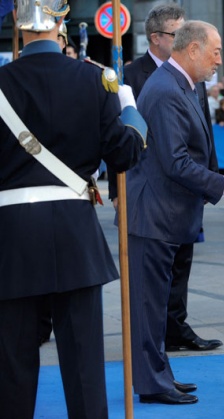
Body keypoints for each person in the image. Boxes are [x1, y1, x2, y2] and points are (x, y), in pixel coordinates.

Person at [0, 1, 146, 417]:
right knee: (84, 367)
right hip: (74, 236)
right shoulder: (96, 80)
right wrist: (131, 110)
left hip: (12, 240)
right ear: (62, 21)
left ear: (17, 21)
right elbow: (124, 154)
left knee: (11, 368)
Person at [125, 20, 224, 405]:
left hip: (165, 214)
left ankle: (160, 376)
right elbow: (176, 161)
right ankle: (152, 383)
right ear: (191, 49)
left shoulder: (181, 84)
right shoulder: (165, 90)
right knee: (148, 307)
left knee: (156, 304)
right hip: (154, 215)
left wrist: (220, 178)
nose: (218, 61)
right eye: (215, 51)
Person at [115, 4, 223, 354]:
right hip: (155, 194)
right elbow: (121, 133)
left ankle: (175, 330)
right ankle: (155, 350)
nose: (184, 38)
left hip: (185, 193)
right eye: (178, 33)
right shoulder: (137, 75)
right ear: (157, 38)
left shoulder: (192, 76)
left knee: (180, 265)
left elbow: (203, 129)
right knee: (153, 280)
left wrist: (212, 176)